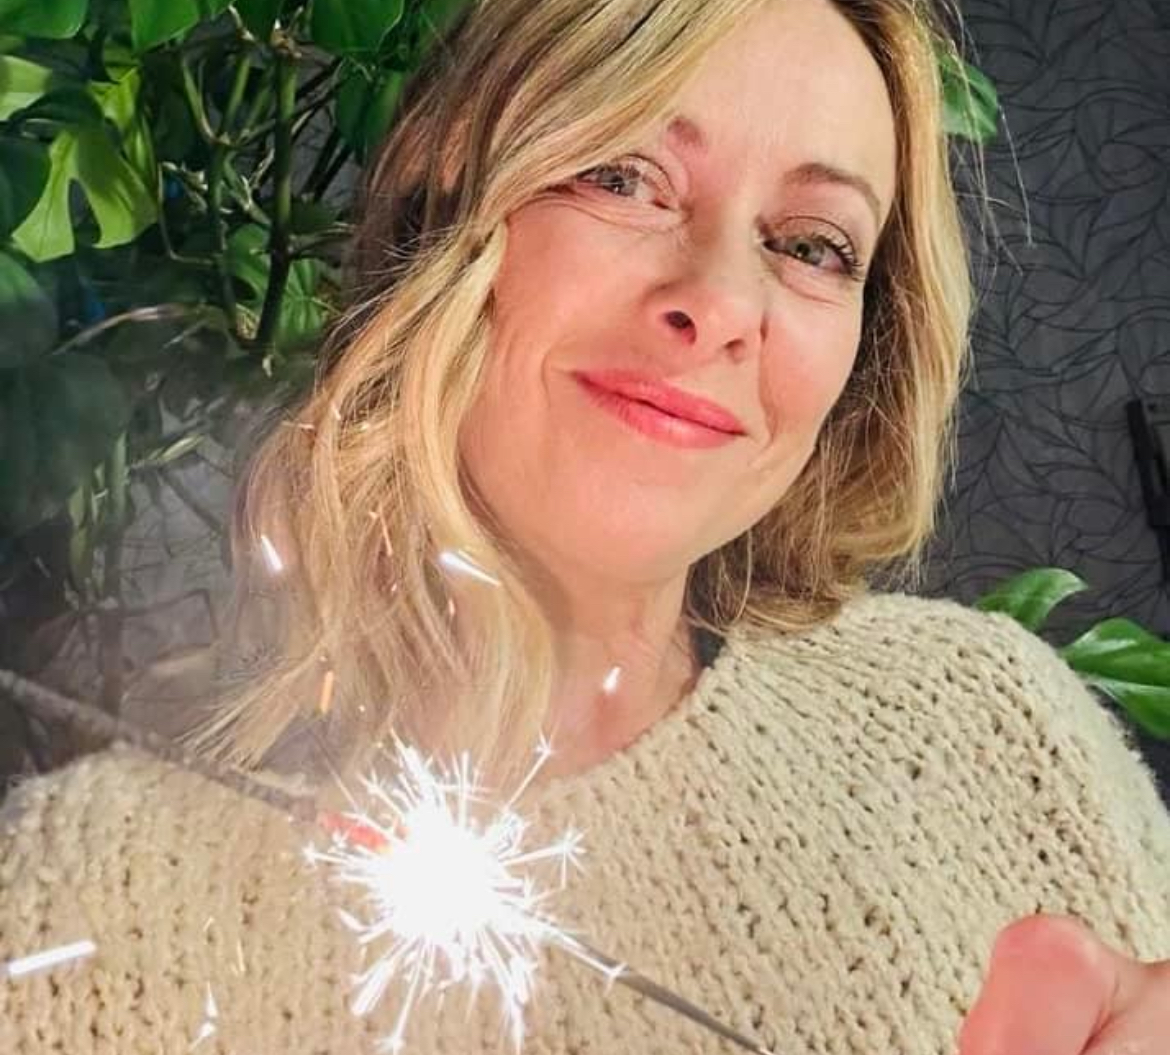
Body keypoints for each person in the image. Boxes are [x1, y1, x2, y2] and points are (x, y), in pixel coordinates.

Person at [1, 0, 1167, 1052]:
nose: (722, 302)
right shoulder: (81, 903)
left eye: (812, 244)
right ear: (439, 212)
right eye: (622, 177)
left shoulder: (989, 724)